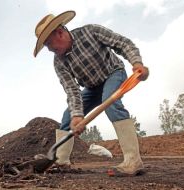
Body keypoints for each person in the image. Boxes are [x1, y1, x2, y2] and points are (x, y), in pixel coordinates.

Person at [33, 10, 149, 177]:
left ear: (60, 33)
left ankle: (133, 160)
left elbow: (122, 43)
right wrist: (77, 116)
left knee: (111, 102)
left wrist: (137, 62)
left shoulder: (91, 32)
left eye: (50, 45)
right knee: (68, 118)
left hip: (113, 73)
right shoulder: (59, 62)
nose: (50, 50)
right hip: (91, 87)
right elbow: (72, 90)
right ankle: (61, 161)